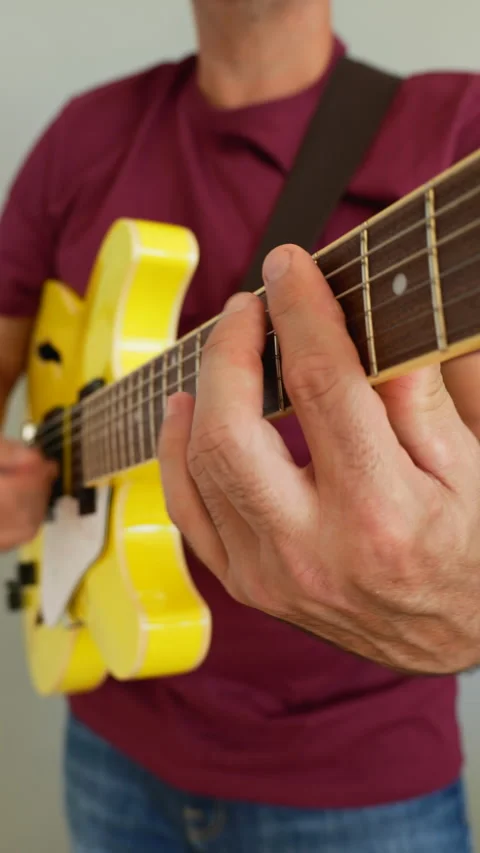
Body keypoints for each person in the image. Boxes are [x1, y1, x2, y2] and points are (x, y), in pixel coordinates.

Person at [1, 0, 479, 850]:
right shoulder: (84, 136)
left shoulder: (455, 129)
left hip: (362, 784)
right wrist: (32, 466)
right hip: (112, 738)